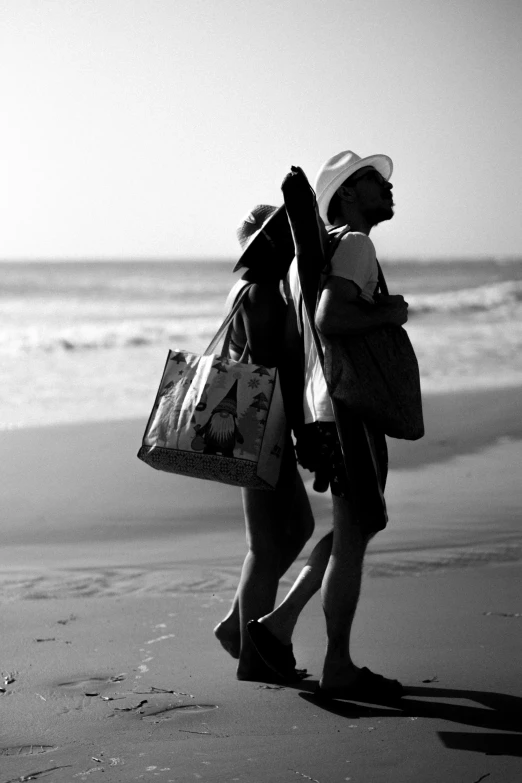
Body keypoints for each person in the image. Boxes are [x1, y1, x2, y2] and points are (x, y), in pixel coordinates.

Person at [247, 150, 409, 700]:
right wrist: (389, 313)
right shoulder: (357, 246)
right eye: (371, 181)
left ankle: (276, 627)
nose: (387, 188)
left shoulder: (304, 260)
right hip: (348, 410)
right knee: (357, 532)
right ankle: (337, 664)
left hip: (320, 411)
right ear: (343, 196)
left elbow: (305, 337)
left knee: (356, 527)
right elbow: (331, 319)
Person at [213, 204, 315, 683]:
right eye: (286, 235)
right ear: (271, 244)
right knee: (268, 543)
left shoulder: (252, 287)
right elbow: (269, 367)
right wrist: (303, 427)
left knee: (292, 531)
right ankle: (251, 654)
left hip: (253, 426)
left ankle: (238, 626)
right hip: (260, 427)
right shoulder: (262, 292)